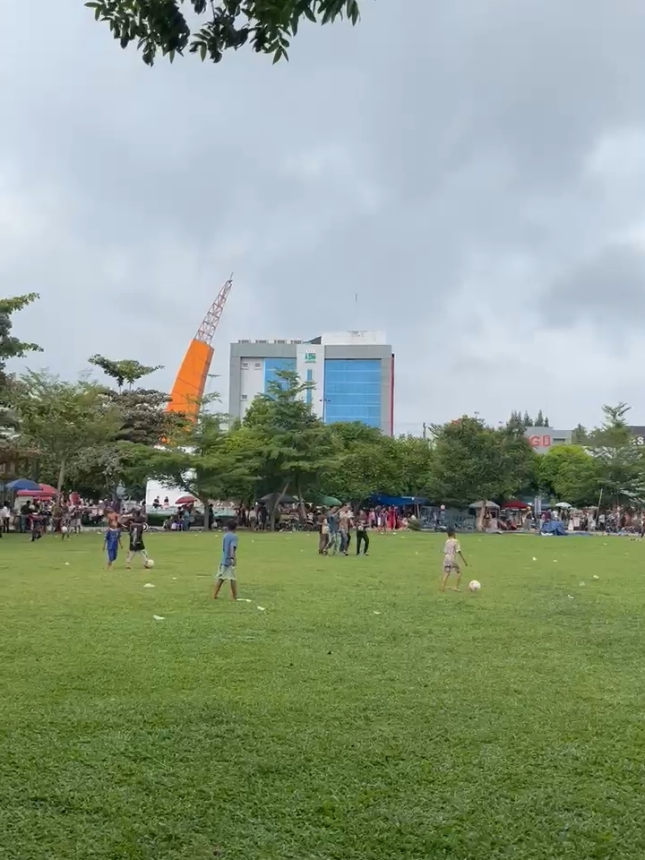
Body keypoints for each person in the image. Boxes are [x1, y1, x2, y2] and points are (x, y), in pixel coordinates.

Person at [213, 520, 238, 600]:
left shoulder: (225, 536)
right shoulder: (234, 537)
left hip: (223, 559)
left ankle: (215, 595)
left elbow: (224, 548)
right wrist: (232, 558)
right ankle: (234, 596)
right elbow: (232, 548)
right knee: (231, 579)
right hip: (228, 560)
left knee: (223, 578)